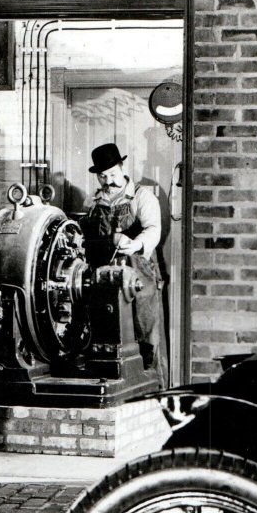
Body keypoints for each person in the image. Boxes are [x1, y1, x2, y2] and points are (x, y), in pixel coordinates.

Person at [79, 142, 167, 386]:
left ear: (122, 167)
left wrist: (136, 244)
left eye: (113, 174)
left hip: (136, 270)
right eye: (103, 176)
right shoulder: (93, 201)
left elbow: (153, 229)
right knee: (104, 332)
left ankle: (152, 387)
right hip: (102, 275)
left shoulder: (141, 196)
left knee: (144, 331)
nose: (108, 181)